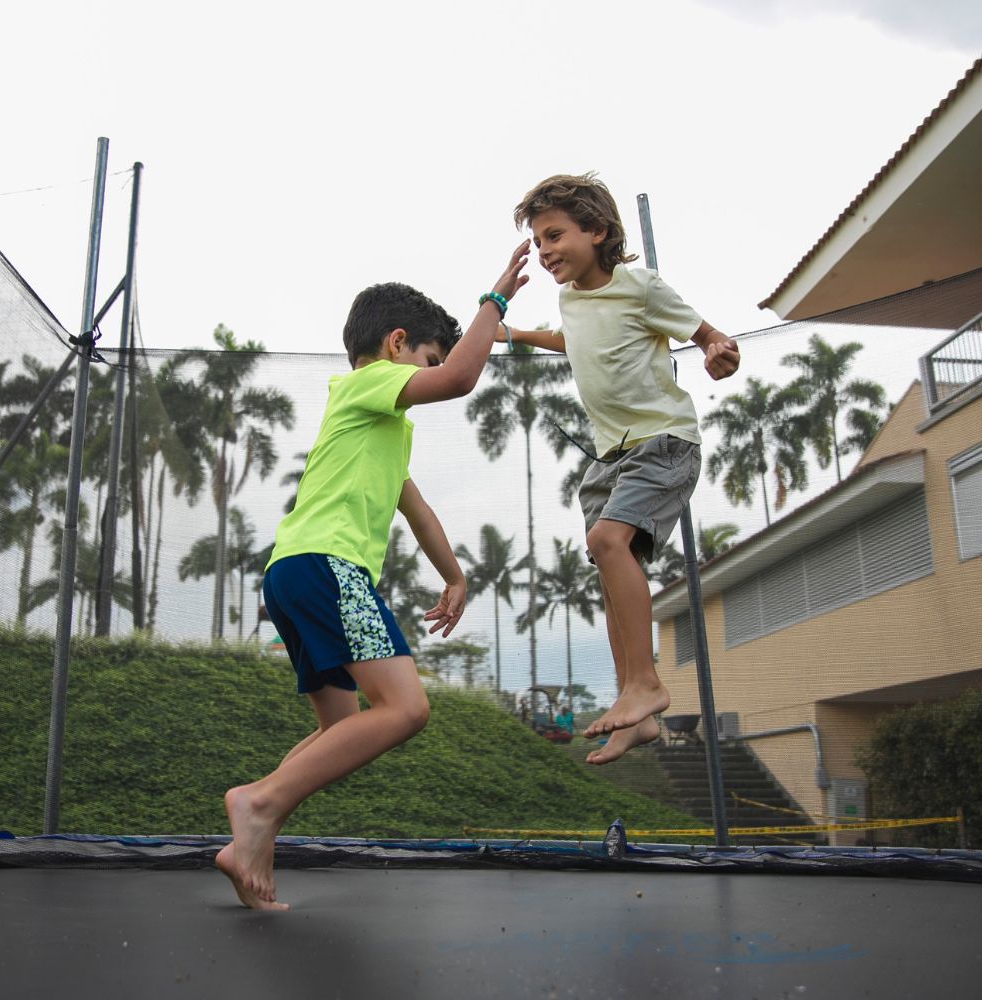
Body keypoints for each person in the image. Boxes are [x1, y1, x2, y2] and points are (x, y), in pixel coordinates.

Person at [215, 241, 530, 910]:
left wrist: (455, 576)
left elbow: (415, 510)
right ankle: (260, 803)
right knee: (405, 709)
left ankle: (254, 831)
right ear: (395, 344)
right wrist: (494, 302)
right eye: (426, 356)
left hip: (294, 571)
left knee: (340, 727)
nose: (429, 373)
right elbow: (461, 379)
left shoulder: (376, 423)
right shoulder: (368, 383)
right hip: (331, 568)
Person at [502, 172, 739, 766]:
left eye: (554, 234)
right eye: (538, 241)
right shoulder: (571, 298)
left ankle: (645, 686)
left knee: (609, 540)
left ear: (598, 230)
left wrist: (717, 351)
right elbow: (575, 341)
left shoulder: (640, 286)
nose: (545, 249)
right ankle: (636, 712)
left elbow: (709, 334)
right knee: (614, 567)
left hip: (663, 442)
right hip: (612, 456)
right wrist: (516, 334)